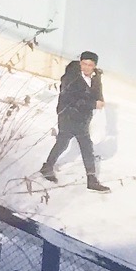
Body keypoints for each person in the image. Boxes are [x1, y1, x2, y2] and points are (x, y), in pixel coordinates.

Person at [40, 52, 111, 191]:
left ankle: (49, 167)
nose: (86, 67)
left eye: (90, 65)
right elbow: (71, 98)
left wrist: (100, 101)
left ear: (94, 66)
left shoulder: (96, 78)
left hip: (83, 118)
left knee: (74, 145)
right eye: (84, 64)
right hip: (68, 115)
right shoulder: (70, 77)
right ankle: (90, 179)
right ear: (80, 62)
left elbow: (97, 93)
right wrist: (93, 104)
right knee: (75, 144)